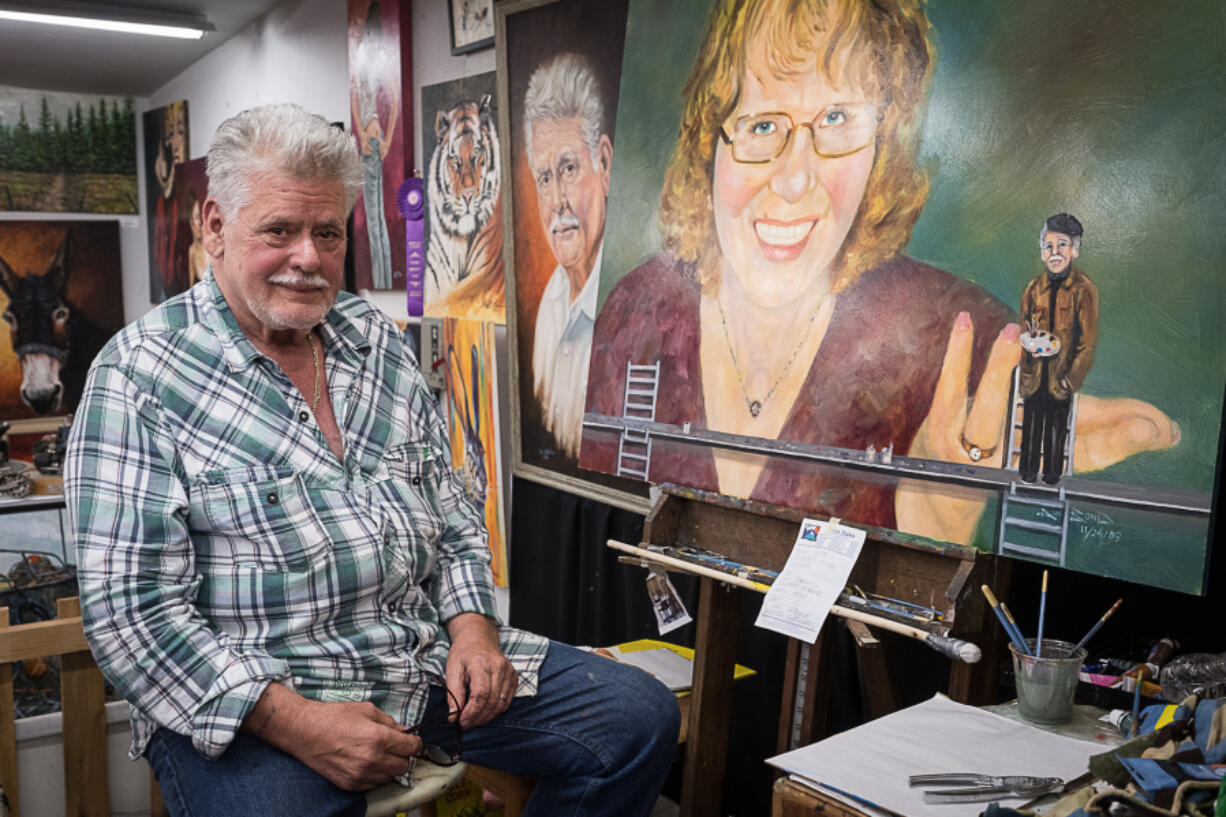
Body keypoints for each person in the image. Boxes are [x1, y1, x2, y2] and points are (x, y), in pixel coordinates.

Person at [64, 103, 678, 817]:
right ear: (214, 225)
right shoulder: (139, 374)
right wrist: (297, 721)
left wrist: (473, 627)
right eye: (279, 231)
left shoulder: (374, 341)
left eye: (327, 233)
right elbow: (131, 616)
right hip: (252, 701)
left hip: (414, 665)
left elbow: (450, 507)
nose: (308, 258)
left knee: (636, 719)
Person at [580, 0, 1178, 546]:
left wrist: (939, 513)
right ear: (710, 140)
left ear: (882, 146)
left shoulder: (952, 343)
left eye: (837, 119)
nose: (794, 181)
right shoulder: (638, 317)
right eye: (762, 125)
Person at [524, 53, 614, 460]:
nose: (558, 200)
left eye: (569, 168)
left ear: (605, 165)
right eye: (545, 177)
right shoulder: (550, 304)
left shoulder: (638, 311)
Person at [1018, 213, 1098, 484]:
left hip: (1060, 378)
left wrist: (1070, 381)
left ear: (1074, 249)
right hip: (1034, 376)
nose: (1055, 252)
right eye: (1049, 246)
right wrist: (1029, 354)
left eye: (1062, 245)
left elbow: (1087, 343)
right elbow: (1025, 330)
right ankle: (1027, 474)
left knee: (1055, 430)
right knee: (1031, 425)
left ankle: (1052, 476)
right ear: (1042, 252)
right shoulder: (1032, 289)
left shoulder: (1083, 290)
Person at [351, 0, 397, 290]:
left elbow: (385, 98)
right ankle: (384, 282)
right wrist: (379, 138)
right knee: (376, 220)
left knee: (375, 220)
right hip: (372, 138)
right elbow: (362, 103)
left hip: (372, 140)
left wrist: (381, 139)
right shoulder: (375, 57)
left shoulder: (367, 57)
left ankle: (383, 283)